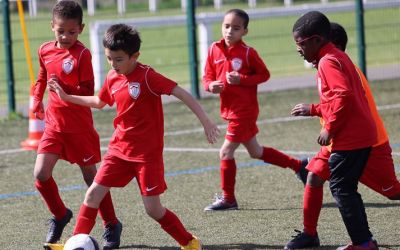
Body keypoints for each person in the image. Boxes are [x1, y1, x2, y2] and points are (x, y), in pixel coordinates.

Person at [48, 23, 220, 250]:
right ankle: (73, 243)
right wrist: (66, 96)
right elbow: (99, 102)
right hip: (119, 150)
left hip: (146, 156)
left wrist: (206, 121)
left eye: (118, 59)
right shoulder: (112, 77)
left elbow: (181, 93)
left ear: (135, 56)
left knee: (153, 209)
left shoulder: (148, 76)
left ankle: (189, 242)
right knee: (92, 195)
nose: (113, 64)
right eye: (109, 58)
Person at [285, 22, 400, 250]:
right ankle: (310, 234)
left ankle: (363, 242)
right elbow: (335, 100)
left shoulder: (333, 62)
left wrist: (329, 127)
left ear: (326, 43)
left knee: (392, 192)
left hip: (366, 143)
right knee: (314, 176)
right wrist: (315, 109)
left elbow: (347, 100)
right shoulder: (329, 62)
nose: (299, 49)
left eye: (302, 44)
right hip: (340, 139)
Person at [31, 1, 122, 249]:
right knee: (40, 174)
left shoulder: (82, 54)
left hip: (79, 128)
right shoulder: (45, 50)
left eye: (72, 31)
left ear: (80, 29)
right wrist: (37, 100)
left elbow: (86, 90)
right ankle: (60, 214)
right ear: (52, 26)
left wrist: (64, 90)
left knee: (92, 178)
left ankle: (111, 223)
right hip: (54, 125)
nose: (66, 36)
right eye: (61, 31)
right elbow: (41, 77)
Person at [202, 8, 308, 211]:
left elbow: (264, 75)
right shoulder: (214, 50)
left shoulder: (248, 53)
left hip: (244, 111)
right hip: (230, 110)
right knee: (256, 152)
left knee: (225, 153)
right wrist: (210, 86)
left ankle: (228, 199)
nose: (229, 31)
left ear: (245, 32)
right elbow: (206, 77)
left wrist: (242, 79)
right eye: (226, 26)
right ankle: (299, 166)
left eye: (236, 28)